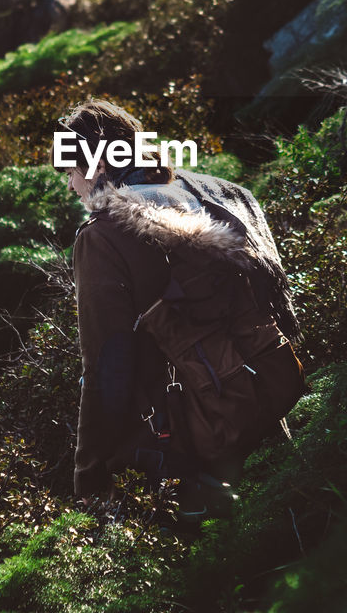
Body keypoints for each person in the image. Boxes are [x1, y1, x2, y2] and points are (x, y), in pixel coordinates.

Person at [54, 99, 298, 521]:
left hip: (192, 444)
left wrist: (89, 475)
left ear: (94, 167)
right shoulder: (212, 194)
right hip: (266, 401)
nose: (72, 187)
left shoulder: (104, 236)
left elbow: (106, 366)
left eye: (71, 173)